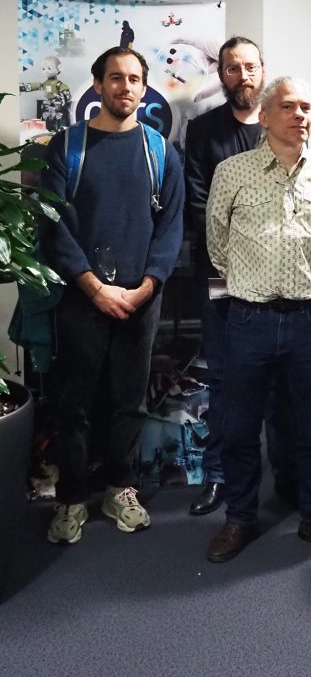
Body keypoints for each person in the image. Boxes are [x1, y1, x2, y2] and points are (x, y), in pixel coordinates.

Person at [204, 77, 311, 564]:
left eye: (307, 106)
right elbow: (217, 246)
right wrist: (254, 281)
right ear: (265, 116)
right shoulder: (232, 172)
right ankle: (240, 519)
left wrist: (308, 280)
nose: (300, 115)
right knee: (240, 425)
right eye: (288, 106)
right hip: (248, 320)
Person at [43, 46, 184, 545]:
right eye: (115, 78)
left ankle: (121, 486)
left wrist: (146, 286)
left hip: (142, 299)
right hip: (82, 297)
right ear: (98, 84)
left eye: (134, 79)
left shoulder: (160, 150)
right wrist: (93, 286)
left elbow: (170, 227)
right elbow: (54, 223)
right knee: (74, 400)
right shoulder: (67, 146)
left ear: (145, 88)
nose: (125, 87)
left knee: (130, 397)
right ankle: (72, 496)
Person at [184, 36, 297, 517]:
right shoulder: (204, 130)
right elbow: (197, 202)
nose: (242, 76)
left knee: (279, 378)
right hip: (221, 277)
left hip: (277, 280)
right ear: (222, 75)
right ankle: (218, 476)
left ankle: (286, 477)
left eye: (250, 67)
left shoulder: (283, 124)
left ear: (263, 70)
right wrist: (238, 259)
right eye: (232, 69)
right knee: (225, 376)